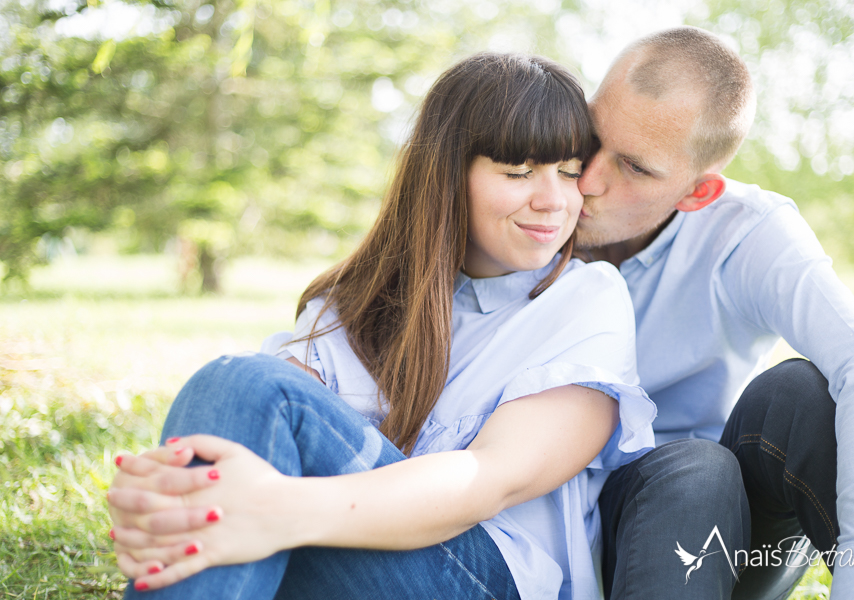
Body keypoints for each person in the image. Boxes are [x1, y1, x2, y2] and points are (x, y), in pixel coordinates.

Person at [106, 52, 658, 600]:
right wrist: (165, 502)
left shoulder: (584, 300)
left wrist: (272, 508)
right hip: (346, 555)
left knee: (240, 394)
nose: (554, 201)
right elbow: (261, 422)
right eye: (518, 172)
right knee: (235, 387)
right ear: (445, 175)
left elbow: (491, 479)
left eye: (568, 172)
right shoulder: (353, 301)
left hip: (483, 579)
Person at [574, 26, 854, 599]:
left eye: (635, 168)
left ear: (698, 193)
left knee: (793, 399)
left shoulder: (743, 231)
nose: (588, 179)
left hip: (710, 538)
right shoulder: (522, 202)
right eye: (590, 136)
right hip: (551, 512)